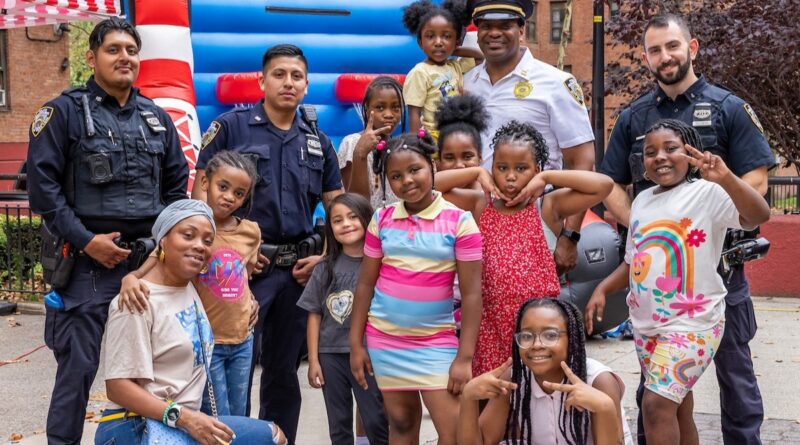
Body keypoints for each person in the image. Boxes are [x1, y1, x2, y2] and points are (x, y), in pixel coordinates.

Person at [598, 13, 775, 444]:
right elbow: (611, 186)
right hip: (655, 290)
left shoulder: (727, 108)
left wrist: (696, 218)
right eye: (655, 50)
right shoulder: (633, 118)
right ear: (645, 57)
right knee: (658, 395)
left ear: (691, 49)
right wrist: (658, 227)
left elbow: (757, 181)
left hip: (720, 272)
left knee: (736, 380)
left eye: (673, 46)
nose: (665, 56)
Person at [25, 17, 188, 445]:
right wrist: (86, 242)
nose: (125, 57)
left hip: (147, 269)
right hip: (86, 268)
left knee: (151, 373)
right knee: (77, 372)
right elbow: (44, 194)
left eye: (132, 50)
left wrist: (157, 249)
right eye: (114, 49)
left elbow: (176, 189)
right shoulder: (60, 113)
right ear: (91, 56)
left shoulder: (156, 118)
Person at [193, 44, 344, 444]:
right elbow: (199, 200)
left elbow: (337, 210)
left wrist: (326, 260)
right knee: (229, 370)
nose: (288, 82)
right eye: (279, 74)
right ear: (262, 80)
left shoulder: (319, 142)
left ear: (307, 85)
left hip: (298, 273)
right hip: (240, 276)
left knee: (282, 374)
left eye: (296, 76)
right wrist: (226, 252)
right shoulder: (232, 128)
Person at [95, 199, 285, 445]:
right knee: (269, 437)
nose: (199, 246)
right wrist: (185, 418)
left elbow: (231, 282)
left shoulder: (189, 285)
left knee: (273, 436)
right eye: (188, 235)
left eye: (208, 241)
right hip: (136, 426)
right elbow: (118, 387)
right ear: (163, 240)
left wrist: (250, 301)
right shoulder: (137, 300)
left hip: (179, 422)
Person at [434, 121, 612, 377]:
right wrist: (475, 173)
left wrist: (548, 177)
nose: (510, 176)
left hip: (539, 328)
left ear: (535, 170)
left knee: (538, 398)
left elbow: (603, 185)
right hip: (490, 328)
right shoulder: (480, 204)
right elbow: (431, 187)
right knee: (494, 401)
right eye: (502, 167)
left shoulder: (547, 206)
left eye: (521, 168)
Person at [349, 130, 482, 445]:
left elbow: (473, 294)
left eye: (414, 170)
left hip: (436, 343)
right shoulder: (381, 220)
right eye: (395, 175)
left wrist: (464, 357)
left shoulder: (459, 222)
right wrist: (356, 343)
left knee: (456, 432)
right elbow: (366, 283)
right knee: (403, 423)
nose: (406, 180)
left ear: (432, 166)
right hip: (385, 340)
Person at [118, 151, 261, 416]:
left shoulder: (251, 232)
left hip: (243, 338)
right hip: (209, 343)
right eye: (223, 187)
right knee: (217, 416)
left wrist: (251, 300)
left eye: (240, 194)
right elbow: (151, 263)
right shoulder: (191, 225)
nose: (230, 197)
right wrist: (128, 279)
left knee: (239, 414)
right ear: (205, 182)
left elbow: (244, 275)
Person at [463, 0, 596, 277]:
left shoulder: (555, 83)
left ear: (522, 30)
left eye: (505, 26)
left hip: (536, 221)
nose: (494, 33)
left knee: (533, 313)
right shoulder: (466, 84)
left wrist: (570, 235)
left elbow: (582, 161)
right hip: (475, 221)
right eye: (486, 26)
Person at [459, 298, 634, 445]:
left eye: (550, 335)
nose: (536, 345)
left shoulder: (598, 380)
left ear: (571, 339)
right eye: (527, 336)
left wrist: (605, 407)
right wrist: (468, 399)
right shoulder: (515, 379)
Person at [297, 193, 389, 445]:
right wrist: (314, 360)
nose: (346, 224)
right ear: (330, 228)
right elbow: (314, 314)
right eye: (337, 220)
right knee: (338, 425)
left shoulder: (381, 264)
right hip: (330, 355)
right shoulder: (325, 267)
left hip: (368, 355)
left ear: (367, 220)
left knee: (375, 419)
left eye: (352, 217)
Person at [402, 0, 483, 139]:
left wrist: (453, 49)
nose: (438, 42)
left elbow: (480, 57)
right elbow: (414, 113)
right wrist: (417, 144)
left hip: (456, 134)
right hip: (433, 138)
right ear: (421, 42)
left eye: (446, 36)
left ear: (456, 41)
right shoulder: (420, 72)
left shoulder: (454, 66)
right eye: (430, 36)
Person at [339, 76, 405, 208]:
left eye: (396, 107)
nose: (389, 114)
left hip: (395, 226)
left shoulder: (399, 148)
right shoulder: (352, 142)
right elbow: (356, 203)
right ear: (367, 109)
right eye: (380, 107)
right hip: (366, 225)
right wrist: (360, 153)